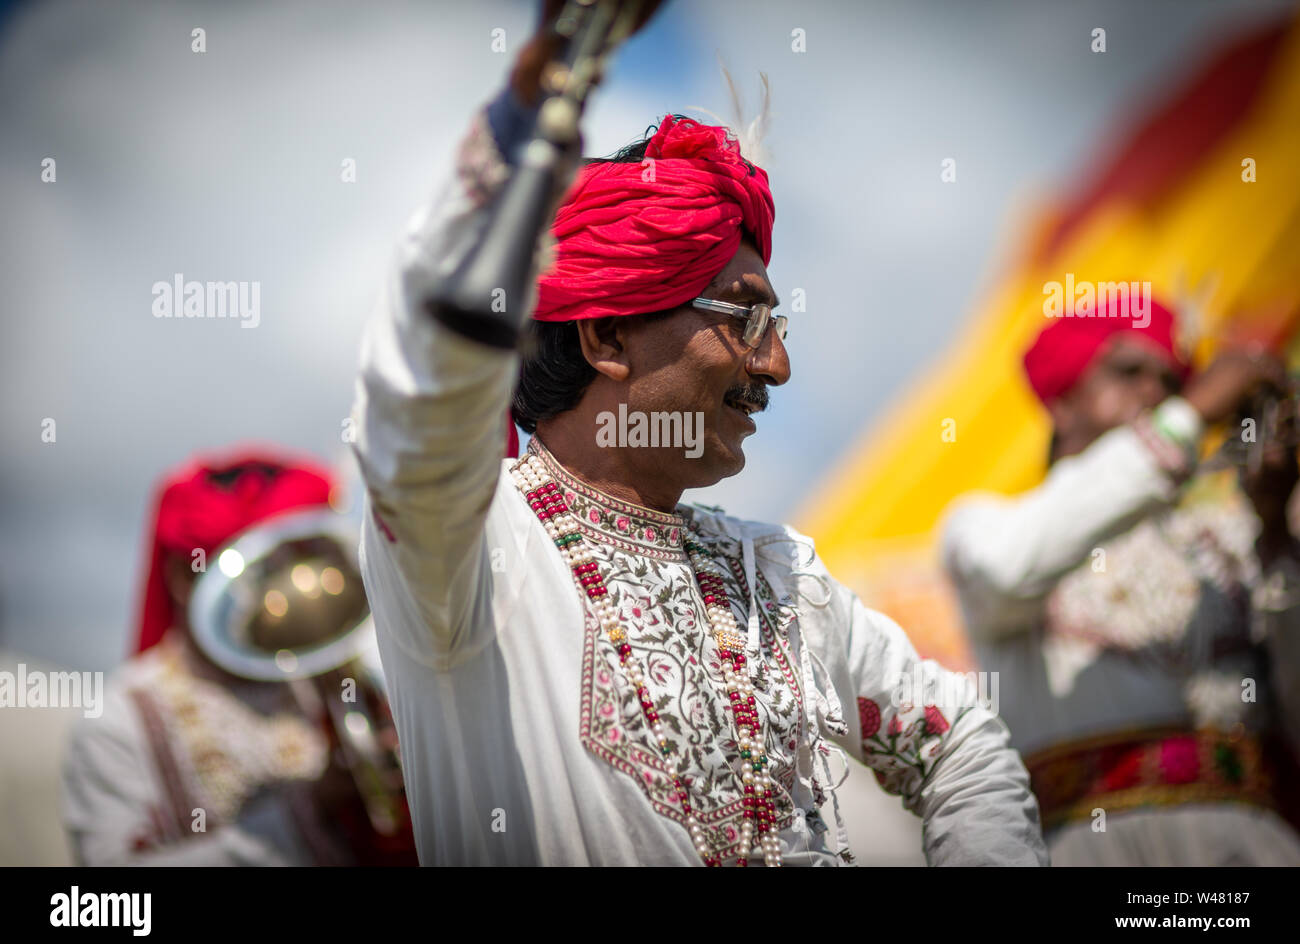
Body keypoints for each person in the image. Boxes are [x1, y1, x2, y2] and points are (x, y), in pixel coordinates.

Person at [349, 3, 1048, 866]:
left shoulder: (781, 573)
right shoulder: (469, 558)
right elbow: (417, 403)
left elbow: (960, 743)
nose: (779, 367)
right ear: (606, 338)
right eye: (745, 320)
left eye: (778, 324)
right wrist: (517, 135)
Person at [942, 296, 1300, 865]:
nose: (1156, 392)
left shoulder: (1237, 537)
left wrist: (1276, 530)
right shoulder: (987, 525)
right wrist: (1192, 415)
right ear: (1062, 402)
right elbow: (1006, 571)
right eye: (1129, 371)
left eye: (1172, 380)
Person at [61, 448, 408, 865]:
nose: (283, 598)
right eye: (260, 574)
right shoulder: (115, 724)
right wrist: (303, 813)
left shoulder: (328, 679)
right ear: (182, 579)